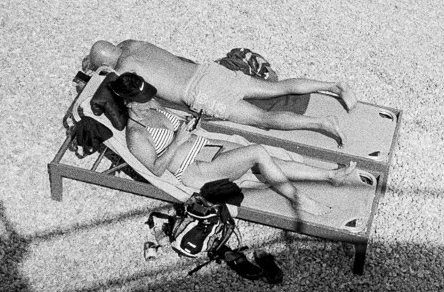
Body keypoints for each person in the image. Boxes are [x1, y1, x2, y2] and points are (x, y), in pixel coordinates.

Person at [121, 94, 359, 218]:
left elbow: (180, 125)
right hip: (196, 171)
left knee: (267, 161)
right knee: (257, 152)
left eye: (148, 99)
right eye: (141, 103)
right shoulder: (136, 135)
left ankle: (330, 175)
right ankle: (299, 199)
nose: (149, 105)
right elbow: (156, 169)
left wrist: (189, 126)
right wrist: (178, 140)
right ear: (128, 103)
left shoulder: (151, 105)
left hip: (207, 147)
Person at [88, 39, 356, 145]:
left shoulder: (123, 69)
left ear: (107, 63)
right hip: (208, 72)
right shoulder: (134, 44)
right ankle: (334, 85)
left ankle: (322, 123)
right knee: (277, 88)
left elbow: (115, 87)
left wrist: (99, 73)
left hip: (199, 93)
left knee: (260, 120)